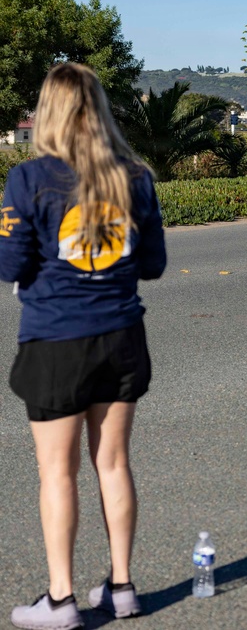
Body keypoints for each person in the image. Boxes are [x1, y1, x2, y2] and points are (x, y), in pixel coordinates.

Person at [4, 63, 166, 628]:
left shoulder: (28, 180)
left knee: (57, 472)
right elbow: (154, 266)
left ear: (48, 112)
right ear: (99, 109)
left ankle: (61, 600)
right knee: (114, 462)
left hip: (54, 340)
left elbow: (9, 265)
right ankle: (122, 589)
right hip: (122, 336)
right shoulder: (136, 177)